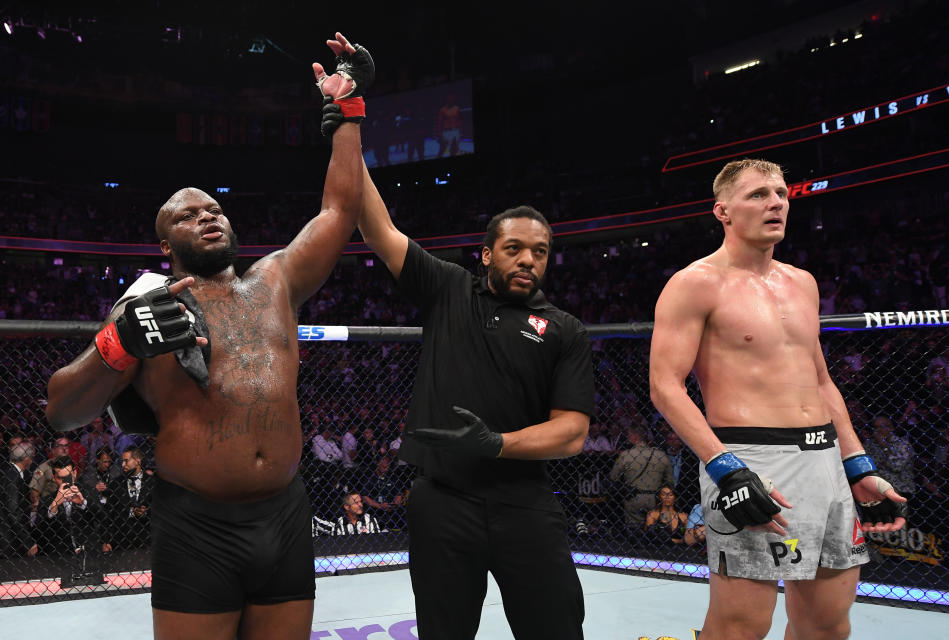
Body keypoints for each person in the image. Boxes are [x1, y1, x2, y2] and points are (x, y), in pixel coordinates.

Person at [44, 32, 373, 640]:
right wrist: (120, 342)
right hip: (196, 527)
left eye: (214, 208)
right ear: (164, 245)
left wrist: (347, 113)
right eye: (186, 215)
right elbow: (61, 410)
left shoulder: (274, 280)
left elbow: (338, 212)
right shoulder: (148, 309)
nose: (207, 215)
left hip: (285, 513)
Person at [334, 91, 595, 636]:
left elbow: (572, 432)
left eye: (540, 251)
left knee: (558, 629)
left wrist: (497, 444)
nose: (528, 260)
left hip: (524, 500)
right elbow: (376, 228)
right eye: (514, 248)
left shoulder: (565, 329)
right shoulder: (451, 289)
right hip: (442, 501)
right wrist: (348, 124)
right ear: (486, 254)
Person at [649, 158, 908, 640]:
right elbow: (665, 385)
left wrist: (857, 464)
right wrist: (724, 469)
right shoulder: (695, 283)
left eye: (781, 194)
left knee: (828, 623)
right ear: (722, 211)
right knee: (741, 627)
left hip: (825, 460)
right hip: (751, 461)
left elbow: (822, 381)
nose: (775, 203)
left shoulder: (802, 283)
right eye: (758, 195)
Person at [609, 425, 673, 528]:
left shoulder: (626, 455)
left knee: (634, 529)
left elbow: (613, 477)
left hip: (633, 497)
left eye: (629, 435)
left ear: (634, 437)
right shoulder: (661, 455)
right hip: (655, 498)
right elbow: (670, 481)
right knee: (654, 528)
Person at [1, 441, 38, 558]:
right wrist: (27, 542)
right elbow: (13, 510)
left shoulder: (10, 472)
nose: (32, 460)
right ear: (26, 458)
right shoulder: (13, 476)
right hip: (8, 538)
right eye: (32, 457)